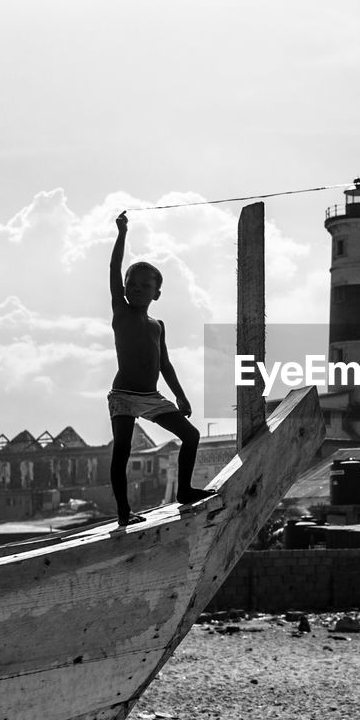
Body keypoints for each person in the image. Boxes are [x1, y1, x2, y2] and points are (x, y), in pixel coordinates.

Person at [107, 210, 213, 527]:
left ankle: (184, 490)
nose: (136, 288)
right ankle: (124, 513)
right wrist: (122, 233)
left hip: (152, 397)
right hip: (124, 396)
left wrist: (181, 398)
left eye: (144, 285)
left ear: (157, 293)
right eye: (131, 284)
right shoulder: (121, 312)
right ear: (124, 289)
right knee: (122, 451)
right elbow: (113, 267)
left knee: (190, 436)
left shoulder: (157, 325)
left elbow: (165, 364)